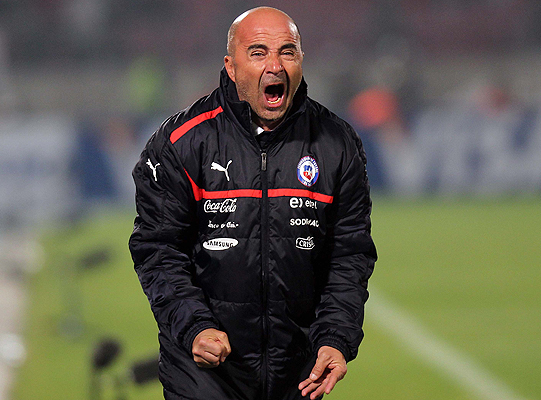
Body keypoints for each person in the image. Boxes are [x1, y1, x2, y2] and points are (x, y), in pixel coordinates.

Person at [129, 7, 376, 400]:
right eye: (258, 53)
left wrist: (335, 338)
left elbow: (350, 255)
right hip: (203, 372)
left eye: (287, 52)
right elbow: (158, 250)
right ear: (231, 66)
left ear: (301, 61)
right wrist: (195, 327)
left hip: (297, 375)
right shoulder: (180, 142)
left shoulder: (337, 143)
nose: (274, 65)